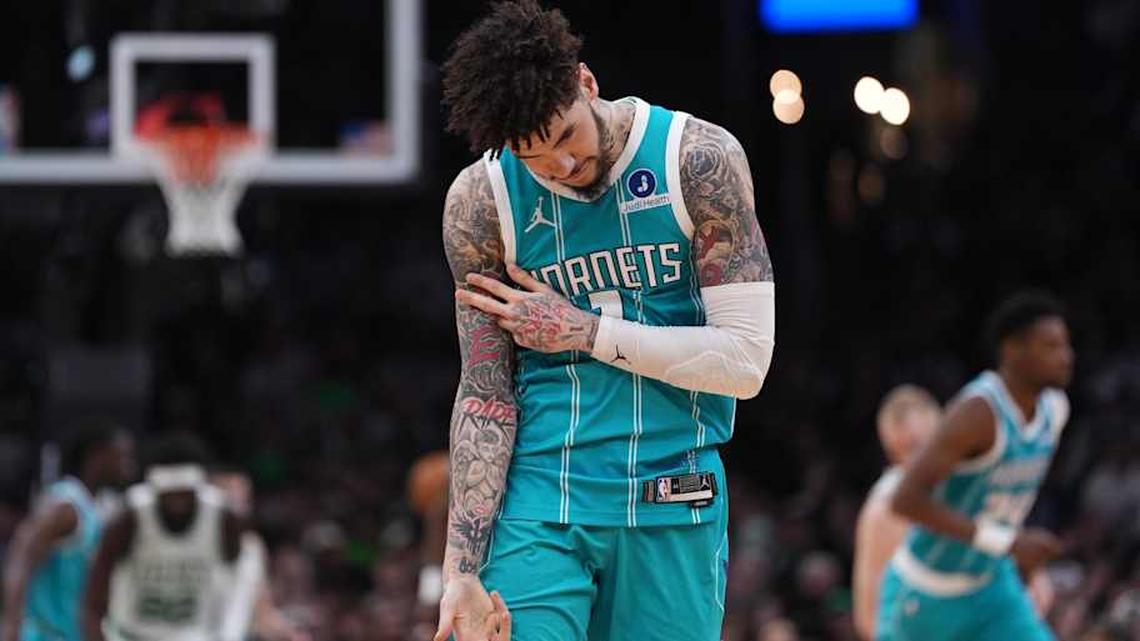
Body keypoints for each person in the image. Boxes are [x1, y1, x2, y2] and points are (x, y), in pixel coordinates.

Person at [436, 2, 776, 640]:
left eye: (567, 135)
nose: (561, 165)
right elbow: (485, 393)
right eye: (535, 157)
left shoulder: (698, 160)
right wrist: (459, 568)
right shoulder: (480, 202)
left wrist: (585, 332)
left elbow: (747, 363)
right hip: (540, 499)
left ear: (587, 84)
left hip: (674, 490)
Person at [879, 292, 1074, 640]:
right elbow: (904, 500)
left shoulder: (1055, 410)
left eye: (1065, 345)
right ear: (1013, 350)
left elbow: (1005, 496)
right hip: (926, 593)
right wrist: (1008, 543)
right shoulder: (979, 412)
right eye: (1052, 346)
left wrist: (1019, 556)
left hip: (990, 587)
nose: (1066, 357)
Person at [82, 433, 244, 641]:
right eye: (169, 493)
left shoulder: (223, 518)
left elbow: (238, 579)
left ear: (198, 488)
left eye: (184, 493)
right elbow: (95, 593)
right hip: (134, 634)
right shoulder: (129, 517)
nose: (177, 502)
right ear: (154, 488)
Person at [1, 422, 135, 641]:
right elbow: (21, 556)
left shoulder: (101, 507)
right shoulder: (66, 506)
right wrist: (10, 627)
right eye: (122, 456)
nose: (129, 465)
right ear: (97, 455)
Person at [852, 385, 941, 640]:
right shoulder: (884, 509)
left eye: (921, 444)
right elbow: (868, 615)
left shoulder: (968, 484)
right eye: (904, 450)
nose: (915, 460)